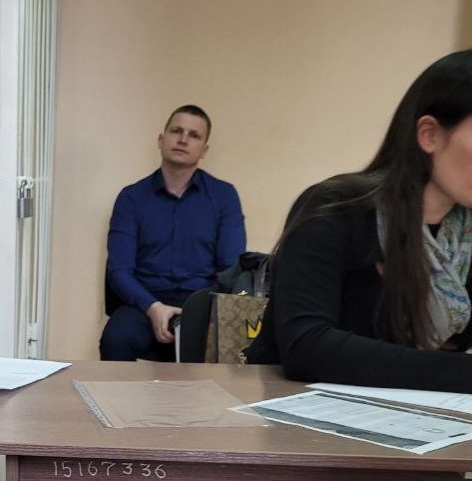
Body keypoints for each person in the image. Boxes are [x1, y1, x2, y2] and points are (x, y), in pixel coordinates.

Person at [245, 50, 472, 393]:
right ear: (429, 134)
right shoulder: (335, 209)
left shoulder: (464, 238)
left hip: (405, 414)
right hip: (290, 411)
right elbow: (307, 347)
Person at [100, 105, 246, 361]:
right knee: (116, 340)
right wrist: (153, 307)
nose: (183, 139)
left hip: (201, 300)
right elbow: (119, 270)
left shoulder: (224, 196)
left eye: (194, 135)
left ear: (204, 150)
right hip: (145, 300)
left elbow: (230, 268)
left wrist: (196, 310)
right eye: (176, 131)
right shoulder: (132, 197)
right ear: (161, 139)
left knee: (221, 347)